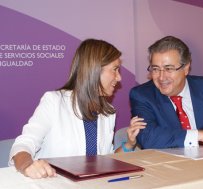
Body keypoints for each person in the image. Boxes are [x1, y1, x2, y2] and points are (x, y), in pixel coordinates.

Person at [9, 39, 146, 179]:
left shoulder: (108, 112)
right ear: (94, 69)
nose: (119, 77)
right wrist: (28, 166)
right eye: (115, 69)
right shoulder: (54, 102)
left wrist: (129, 143)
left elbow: (106, 160)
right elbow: (23, 145)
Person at [129, 36, 203, 149]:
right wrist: (200, 135)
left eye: (169, 69)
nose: (161, 77)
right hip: (171, 166)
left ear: (186, 68)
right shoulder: (142, 95)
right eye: (155, 69)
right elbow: (148, 138)